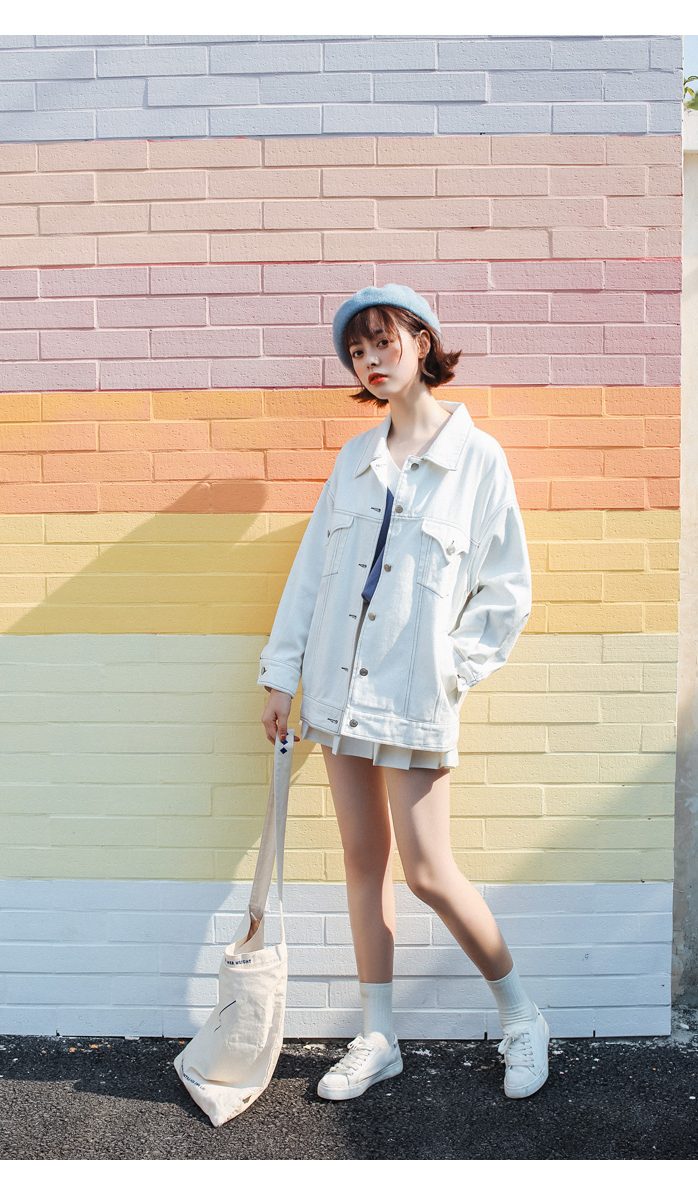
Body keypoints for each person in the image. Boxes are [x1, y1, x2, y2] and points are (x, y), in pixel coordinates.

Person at [258, 284, 550, 1102]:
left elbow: (507, 591)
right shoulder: (354, 458)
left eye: (382, 342)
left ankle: (523, 1015)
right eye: (357, 352)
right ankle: (378, 1034)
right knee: (363, 862)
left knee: (427, 870)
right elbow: (312, 575)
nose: (370, 361)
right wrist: (282, 673)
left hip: (416, 697)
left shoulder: (478, 459)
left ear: (422, 342)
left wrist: (451, 669)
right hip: (337, 692)